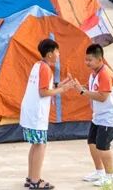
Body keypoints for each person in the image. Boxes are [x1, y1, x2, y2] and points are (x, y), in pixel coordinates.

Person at [20, 38, 73, 190]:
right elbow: (43, 92)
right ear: (50, 54)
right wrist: (63, 90)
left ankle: (31, 177)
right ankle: (36, 181)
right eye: (57, 52)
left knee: (36, 145)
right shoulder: (46, 69)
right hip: (37, 114)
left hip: (30, 111)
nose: (58, 55)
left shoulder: (38, 65)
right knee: (40, 145)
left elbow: (46, 85)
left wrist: (62, 84)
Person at [76, 44, 113, 187]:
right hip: (99, 116)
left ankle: (110, 176)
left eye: (90, 60)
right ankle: (99, 172)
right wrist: (80, 87)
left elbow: (102, 97)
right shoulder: (94, 73)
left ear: (100, 59)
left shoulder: (105, 74)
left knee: (103, 147)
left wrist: (82, 92)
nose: (87, 63)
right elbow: (93, 89)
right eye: (86, 60)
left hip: (110, 117)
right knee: (92, 142)